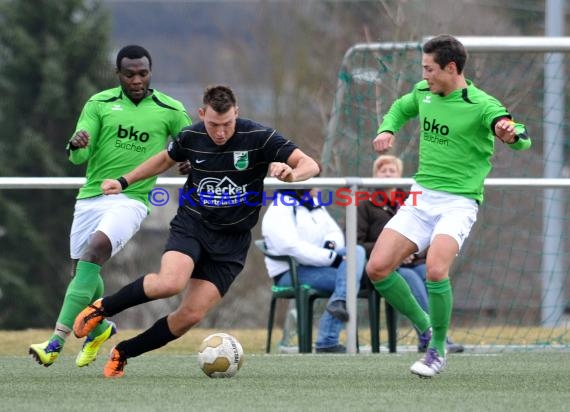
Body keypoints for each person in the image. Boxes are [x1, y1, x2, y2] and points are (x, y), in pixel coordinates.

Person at [72, 84, 320, 378]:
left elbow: (310, 165)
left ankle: (123, 352)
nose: (220, 132)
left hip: (232, 241)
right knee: (170, 283)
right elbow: (165, 159)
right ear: (202, 114)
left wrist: (292, 174)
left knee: (190, 316)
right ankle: (101, 310)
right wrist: (124, 181)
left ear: (237, 114)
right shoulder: (191, 136)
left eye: (227, 124)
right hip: (193, 224)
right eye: (213, 124)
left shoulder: (259, 137)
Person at [366, 34, 531, 378]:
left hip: (458, 202)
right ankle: (426, 326)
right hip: (421, 197)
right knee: (378, 268)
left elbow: (519, 137)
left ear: (451, 68)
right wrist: (388, 129)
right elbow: (400, 107)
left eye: (429, 69)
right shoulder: (424, 93)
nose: (424, 75)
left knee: (436, 271)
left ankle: (436, 349)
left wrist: (510, 133)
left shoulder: (482, 104)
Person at [29, 45, 191, 368]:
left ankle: (55, 342)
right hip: (90, 197)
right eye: (129, 74)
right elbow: (78, 155)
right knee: (84, 272)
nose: (136, 80)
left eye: (142, 74)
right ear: (118, 74)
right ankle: (101, 328)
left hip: (131, 200)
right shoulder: (99, 103)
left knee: (95, 251)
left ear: (150, 72)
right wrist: (76, 144)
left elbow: (191, 148)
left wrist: (190, 163)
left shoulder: (170, 109)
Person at [357, 155, 464, 353]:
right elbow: (356, 242)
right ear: (374, 175)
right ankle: (427, 333)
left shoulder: (412, 200)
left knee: (431, 272)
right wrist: (394, 250)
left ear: (400, 174)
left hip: (414, 260)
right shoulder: (364, 203)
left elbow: (426, 232)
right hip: (388, 265)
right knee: (410, 279)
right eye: (383, 171)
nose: (388, 174)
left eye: (392, 170)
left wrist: (412, 252)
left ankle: (439, 336)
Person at [262, 187, 365, 353]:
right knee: (351, 281)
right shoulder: (279, 208)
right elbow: (291, 248)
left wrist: (329, 245)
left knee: (356, 251)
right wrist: (332, 258)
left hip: (319, 265)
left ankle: (338, 303)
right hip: (291, 272)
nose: (319, 185)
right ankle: (327, 340)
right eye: (314, 179)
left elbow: (334, 231)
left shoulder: (315, 204)